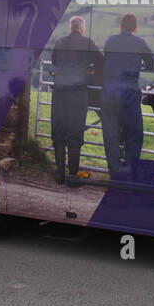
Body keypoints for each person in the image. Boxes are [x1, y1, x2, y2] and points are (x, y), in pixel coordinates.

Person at [101, 13, 154, 174]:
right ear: (135, 28)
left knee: (111, 136)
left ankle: (114, 173)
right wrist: (139, 63)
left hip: (108, 93)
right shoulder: (138, 42)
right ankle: (129, 173)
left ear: (120, 27)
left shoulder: (110, 41)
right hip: (128, 94)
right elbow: (153, 63)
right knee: (134, 134)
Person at [50, 17, 101, 184]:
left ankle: (59, 174)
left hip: (59, 92)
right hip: (78, 93)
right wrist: (90, 70)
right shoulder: (88, 43)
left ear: (71, 27)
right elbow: (102, 62)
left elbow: (54, 62)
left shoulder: (59, 42)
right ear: (82, 29)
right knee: (75, 132)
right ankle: (72, 176)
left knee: (58, 131)